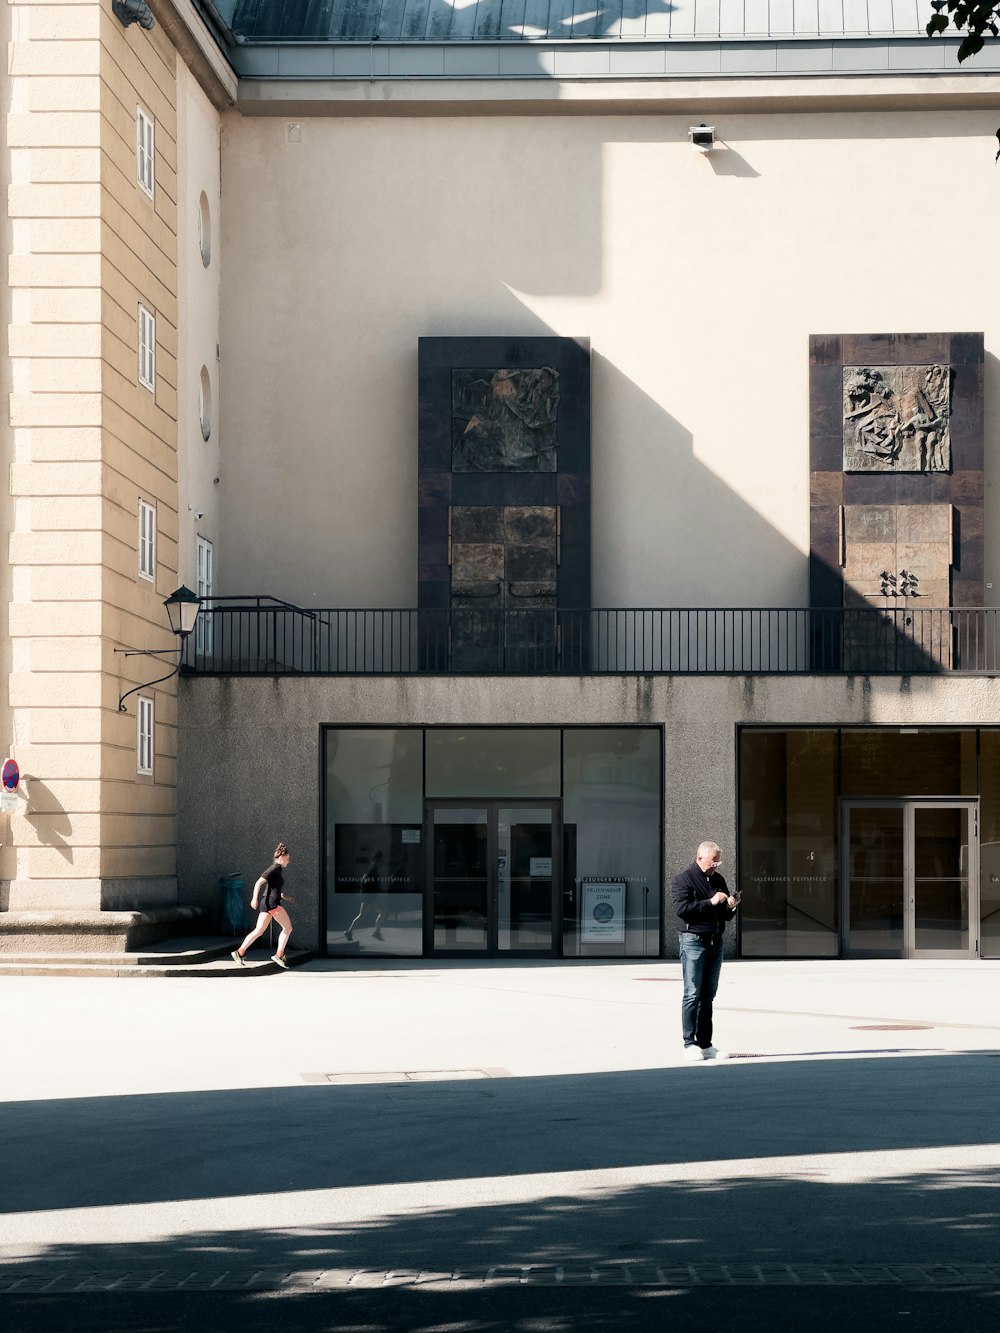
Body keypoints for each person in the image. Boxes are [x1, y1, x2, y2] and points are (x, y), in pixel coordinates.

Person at [671, 840, 740, 1062]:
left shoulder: (718, 879)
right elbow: (682, 910)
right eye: (713, 861)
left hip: (715, 940)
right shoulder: (683, 879)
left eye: (718, 861)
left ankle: (706, 1044)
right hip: (693, 940)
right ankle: (689, 1043)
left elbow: (725, 916)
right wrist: (711, 902)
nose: (716, 866)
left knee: (708, 995)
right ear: (699, 858)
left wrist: (730, 905)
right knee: (692, 993)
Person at [232, 842, 294, 969]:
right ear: (281, 857)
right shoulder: (273, 869)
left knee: (259, 930)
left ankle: (239, 952)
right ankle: (279, 955)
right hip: (272, 904)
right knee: (288, 928)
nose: (289, 861)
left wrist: (285, 897)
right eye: (287, 858)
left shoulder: (278, 870)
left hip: (267, 903)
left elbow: (274, 889)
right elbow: (258, 883)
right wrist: (254, 898)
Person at [345, 849, 384, 941]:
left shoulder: (374, 868)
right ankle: (376, 933)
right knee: (381, 912)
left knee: (362, 915)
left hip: (369, 896)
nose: (382, 861)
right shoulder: (373, 869)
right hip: (370, 897)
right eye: (381, 859)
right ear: (378, 859)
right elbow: (367, 881)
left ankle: (349, 932)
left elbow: (366, 880)